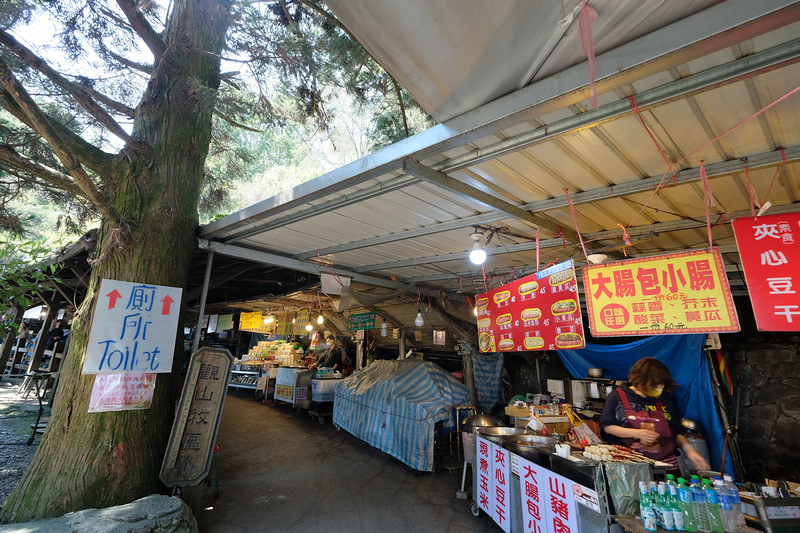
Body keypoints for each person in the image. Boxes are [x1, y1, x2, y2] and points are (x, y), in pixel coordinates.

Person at [599, 357, 710, 474]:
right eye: (655, 385)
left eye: (661, 385)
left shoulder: (663, 400)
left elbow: (675, 433)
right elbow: (608, 427)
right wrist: (636, 433)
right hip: (632, 466)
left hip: (667, 466)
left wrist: (690, 450)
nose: (659, 389)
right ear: (642, 380)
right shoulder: (618, 396)